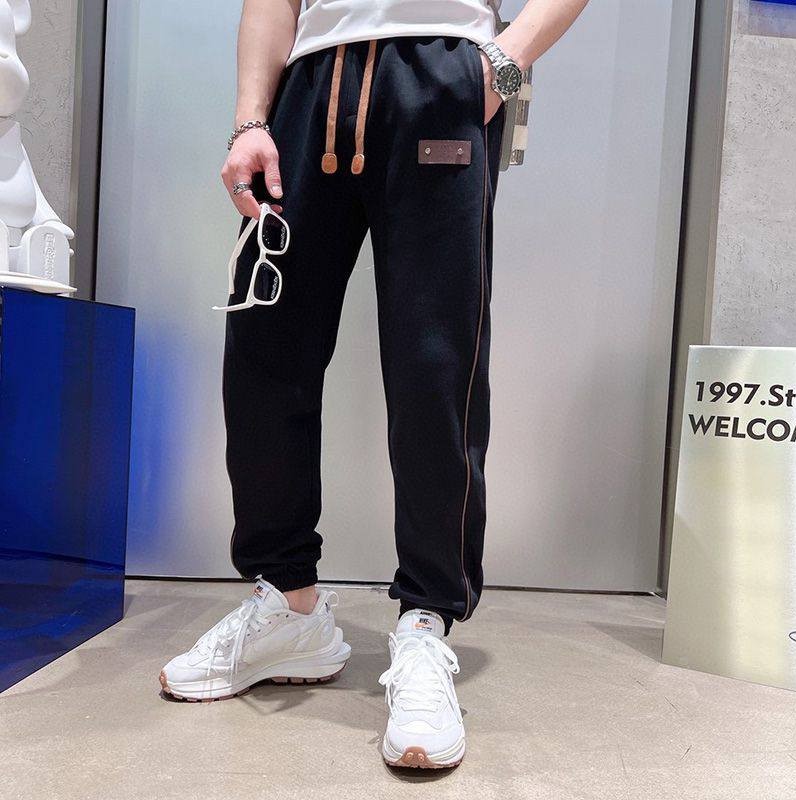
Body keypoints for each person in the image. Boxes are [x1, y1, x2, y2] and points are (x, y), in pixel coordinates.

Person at [160, 0, 588, 769]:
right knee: (265, 352)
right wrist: (250, 118)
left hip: (440, 72)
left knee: (435, 366)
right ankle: (289, 604)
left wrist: (505, 59)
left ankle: (425, 622)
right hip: (307, 85)